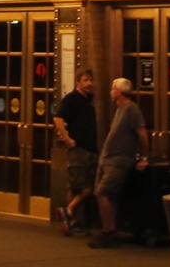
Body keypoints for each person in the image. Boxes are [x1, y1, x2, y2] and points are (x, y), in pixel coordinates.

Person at [89, 77, 148, 247]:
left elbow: (142, 133)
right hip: (108, 158)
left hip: (120, 160)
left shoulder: (131, 109)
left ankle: (110, 232)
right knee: (107, 195)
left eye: (113, 88)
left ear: (120, 92)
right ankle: (109, 230)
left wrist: (144, 157)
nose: (110, 91)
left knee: (102, 193)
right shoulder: (119, 109)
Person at [53, 68, 100, 234]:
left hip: (90, 148)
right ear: (78, 82)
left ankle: (70, 220)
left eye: (90, 80)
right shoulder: (71, 99)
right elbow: (58, 118)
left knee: (77, 187)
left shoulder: (88, 100)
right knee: (83, 187)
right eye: (85, 80)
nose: (89, 83)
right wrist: (66, 138)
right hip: (78, 149)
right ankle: (69, 211)